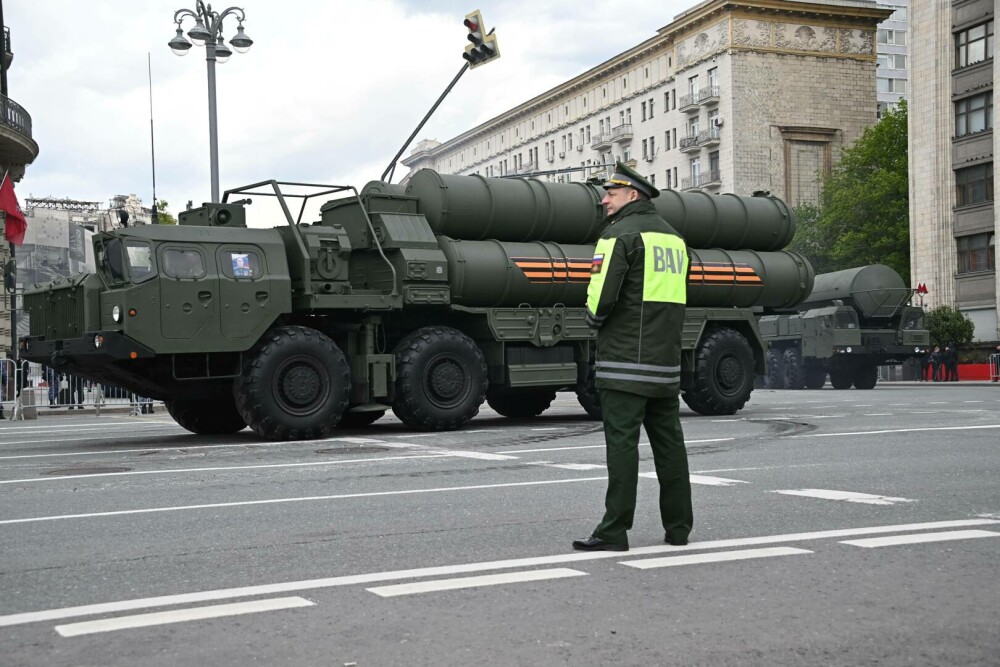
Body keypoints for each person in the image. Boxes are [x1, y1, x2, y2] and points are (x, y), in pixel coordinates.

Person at [572, 162, 693, 552]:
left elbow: (602, 295)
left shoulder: (619, 235)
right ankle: (679, 528)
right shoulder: (675, 240)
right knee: (670, 445)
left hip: (625, 360)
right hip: (665, 361)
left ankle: (613, 530)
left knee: (621, 446)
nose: (605, 200)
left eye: (612, 193)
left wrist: (593, 319)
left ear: (633, 195)